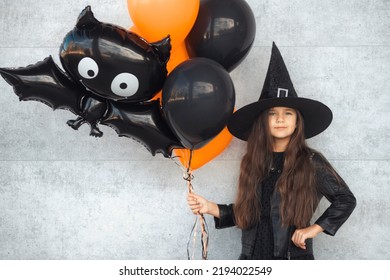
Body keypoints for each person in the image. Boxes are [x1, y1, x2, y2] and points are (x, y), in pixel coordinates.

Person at [187, 42, 357, 260]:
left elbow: (345, 199)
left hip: (291, 260)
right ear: (263, 122)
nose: (279, 119)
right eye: (272, 113)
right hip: (252, 259)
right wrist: (210, 207)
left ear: (297, 122)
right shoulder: (253, 161)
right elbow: (249, 214)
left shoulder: (310, 161)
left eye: (288, 113)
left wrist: (313, 229)